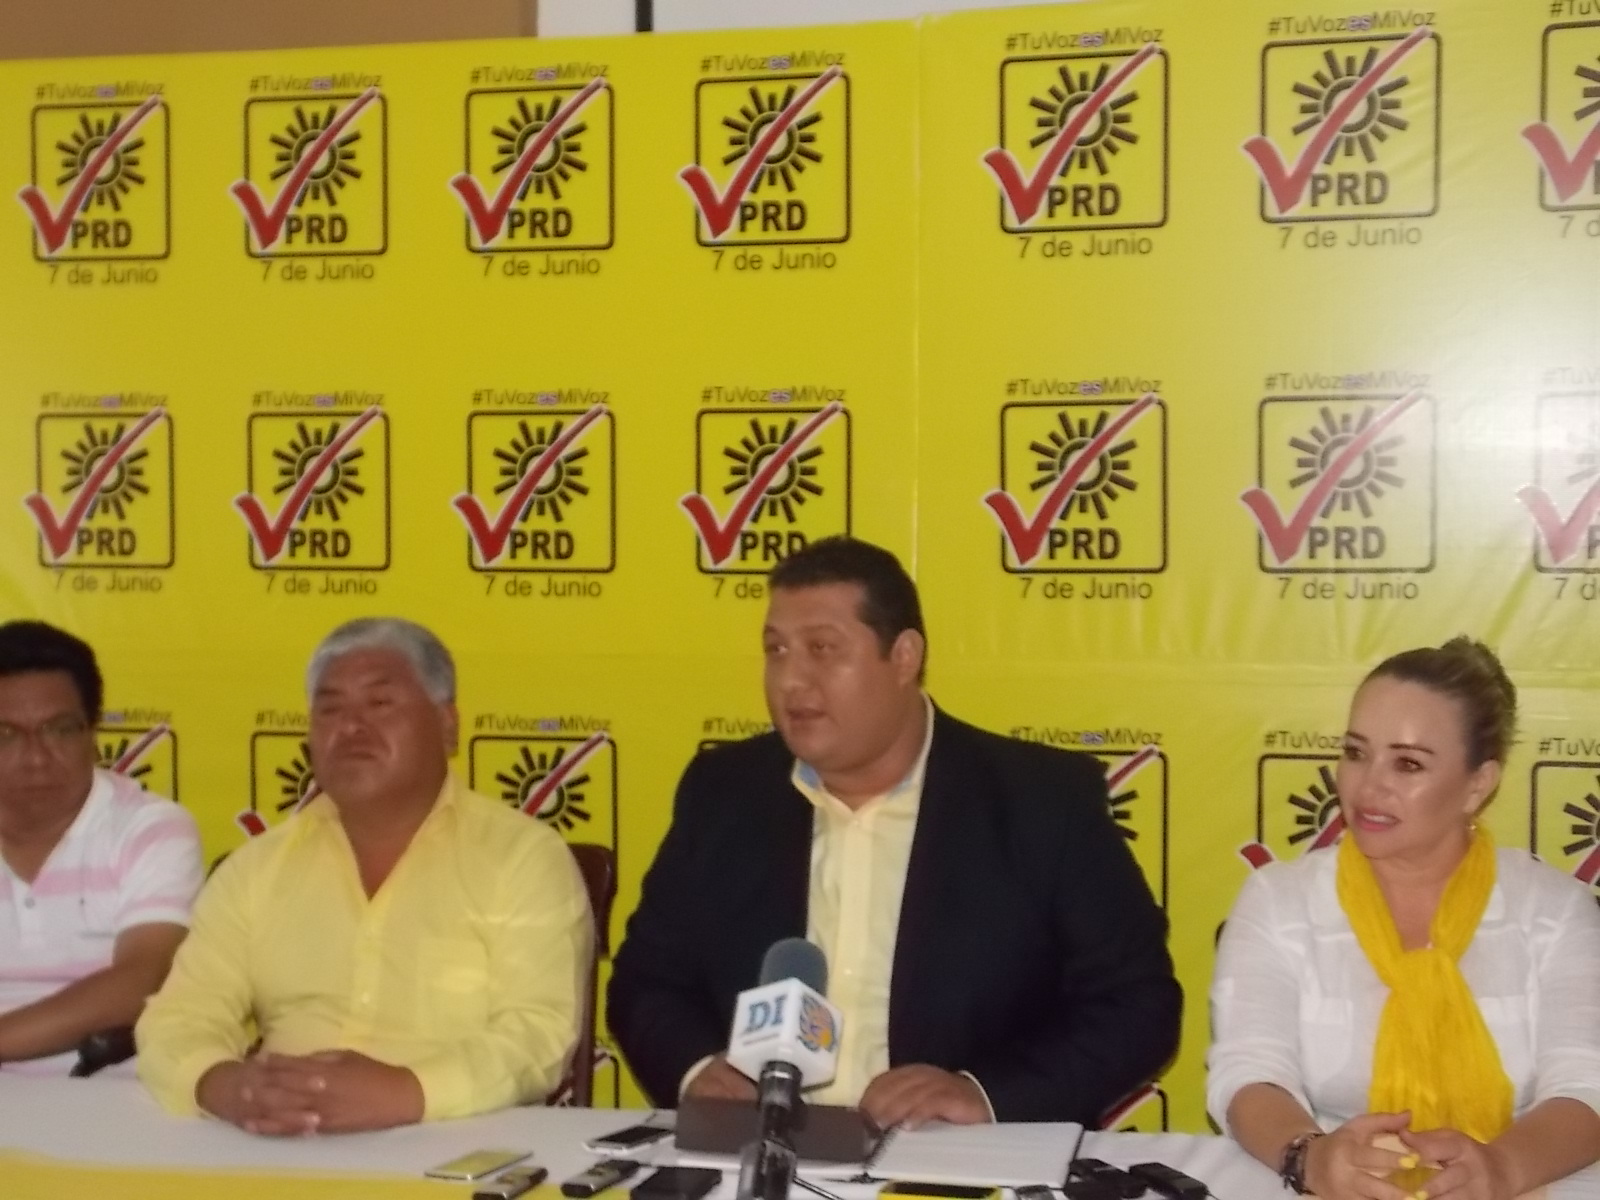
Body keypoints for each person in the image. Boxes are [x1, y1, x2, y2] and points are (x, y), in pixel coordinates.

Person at [608, 537, 1180, 1127]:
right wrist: (697, 1070)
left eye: (822, 649)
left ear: (904, 657)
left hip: (950, 1156)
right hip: (757, 1147)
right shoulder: (725, 793)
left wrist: (984, 1094)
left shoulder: (1040, 801)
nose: (791, 680)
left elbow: (1137, 1005)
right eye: (776, 650)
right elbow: (647, 981)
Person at [136, 618, 592, 1133]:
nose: (351, 727)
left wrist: (406, 1093)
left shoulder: (521, 857)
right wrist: (228, 1087)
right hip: (280, 1143)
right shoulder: (257, 869)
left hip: (456, 1141)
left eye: (380, 703)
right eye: (330, 709)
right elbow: (178, 1018)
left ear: (447, 725)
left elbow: (537, 1034)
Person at [1209, 638, 1600, 1199]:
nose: (1368, 786)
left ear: (1478, 785)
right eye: (1356, 753)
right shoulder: (1279, 900)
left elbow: (1587, 1087)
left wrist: (1499, 1169)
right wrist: (1312, 1157)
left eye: (1408, 763)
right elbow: (1248, 1072)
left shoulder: (1555, 911)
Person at [0, 620, 201, 1074]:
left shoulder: (150, 829)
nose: (36, 758)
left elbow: (141, 982)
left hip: (113, 1091)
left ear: (93, 731)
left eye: (59, 730)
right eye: (6, 735)